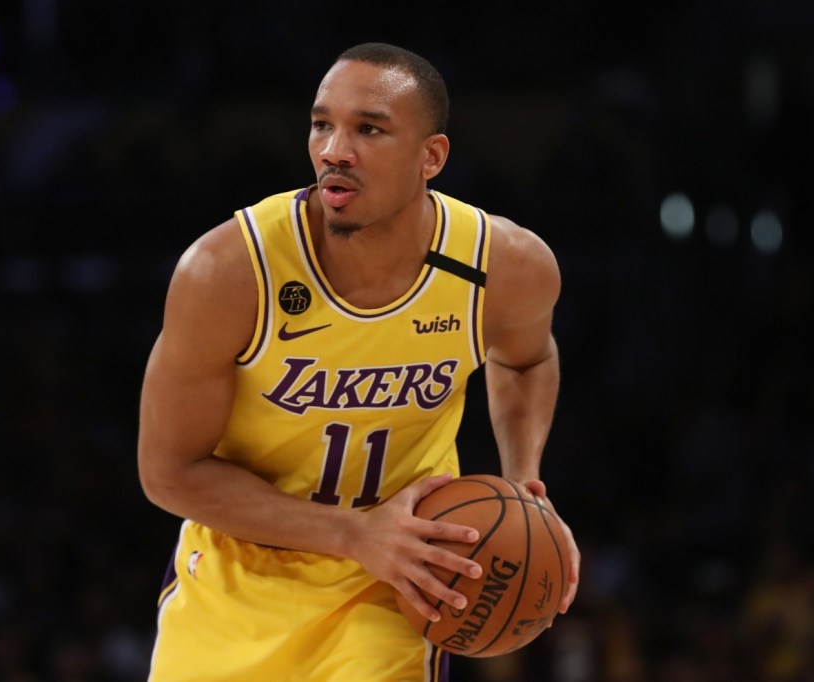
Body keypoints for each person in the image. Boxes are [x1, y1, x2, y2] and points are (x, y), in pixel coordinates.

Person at [137, 42, 580, 681]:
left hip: (396, 582)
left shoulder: (504, 267)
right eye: (322, 125)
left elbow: (527, 359)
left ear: (432, 157)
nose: (334, 151)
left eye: (368, 129)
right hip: (235, 578)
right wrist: (354, 533)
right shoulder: (229, 271)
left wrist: (524, 483)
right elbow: (168, 472)